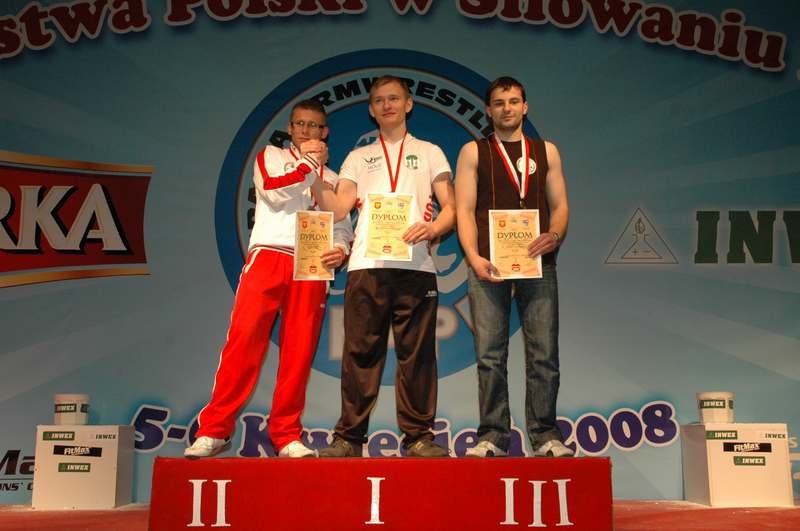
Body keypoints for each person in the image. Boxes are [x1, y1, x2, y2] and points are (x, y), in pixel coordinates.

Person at [185, 100, 352, 458]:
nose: (306, 131)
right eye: (300, 124)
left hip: (312, 263)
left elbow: (341, 223)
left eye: (314, 125)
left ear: (325, 132)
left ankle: (287, 435)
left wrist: (340, 249)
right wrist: (310, 165)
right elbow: (275, 193)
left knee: (299, 352)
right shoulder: (271, 156)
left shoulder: (335, 178)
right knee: (244, 341)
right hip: (269, 254)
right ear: (290, 129)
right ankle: (214, 429)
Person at [311, 76, 456, 457]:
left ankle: (419, 436)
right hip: (366, 265)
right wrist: (313, 173)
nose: (387, 105)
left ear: (408, 104)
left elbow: (452, 208)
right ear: (371, 109)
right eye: (379, 100)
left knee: (417, 356)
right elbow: (338, 209)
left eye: (394, 98)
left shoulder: (430, 152)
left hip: (417, 265)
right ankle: (349, 437)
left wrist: (433, 228)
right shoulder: (358, 157)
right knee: (360, 353)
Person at [454, 76, 573, 458]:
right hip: (488, 265)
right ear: (488, 110)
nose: (507, 108)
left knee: (544, 354)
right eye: (499, 103)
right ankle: (492, 436)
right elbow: (464, 210)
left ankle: (546, 435)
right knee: (490, 356)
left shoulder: (546, 151)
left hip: (538, 264)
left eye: (513, 101)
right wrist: (473, 257)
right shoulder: (474, 152)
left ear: (525, 107)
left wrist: (554, 234)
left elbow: (561, 206)